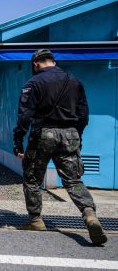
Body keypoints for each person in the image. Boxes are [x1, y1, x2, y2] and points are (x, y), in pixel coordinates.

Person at [13, 49, 107, 245]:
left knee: (32, 178)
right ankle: (89, 214)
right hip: (70, 134)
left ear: (36, 63)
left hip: (43, 136)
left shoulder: (33, 83)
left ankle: (36, 220)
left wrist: (18, 141)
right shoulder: (74, 81)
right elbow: (83, 115)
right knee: (73, 180)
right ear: (53, 62)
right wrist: (76, 137)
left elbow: (25, 117)